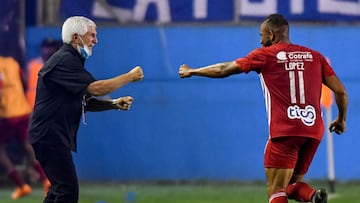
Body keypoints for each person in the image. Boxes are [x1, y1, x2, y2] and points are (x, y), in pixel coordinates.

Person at [178, 14, 347, 203]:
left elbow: (223, 69)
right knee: (290, 185)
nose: (260, 40)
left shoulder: (265, 55)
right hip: (313, 131)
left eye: (261, 35)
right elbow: (341, 92)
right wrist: (341, 120)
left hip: (285, 131)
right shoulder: (315, 57)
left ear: (271, 35)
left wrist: (192, 71)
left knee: (275, 189)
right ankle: (313, 196)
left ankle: (311, 196)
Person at [29, 16, 144, 203]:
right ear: (76, 38)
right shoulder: (64, 60)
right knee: (67, 191)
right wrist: (129, 77)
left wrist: (113, 104)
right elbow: (97, 88)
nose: (95, 40)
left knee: (58, 192)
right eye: (91, 35)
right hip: (49, 136)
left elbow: (85, 101)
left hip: (51, 136)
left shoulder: (71, 59)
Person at [0, 32, 50, 200]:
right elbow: (22, 82)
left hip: (8, 113)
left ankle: (22, 185)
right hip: (23, 111)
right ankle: (46, 180)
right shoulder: (13, 63)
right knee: (26, 146)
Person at [26, 38, 62, 108]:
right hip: (32, 106)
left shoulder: (56, 65)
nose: (49, 50)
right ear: (42, 48)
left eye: (51, 48)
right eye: (46, 47)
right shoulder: (32, 65)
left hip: (50, 107)